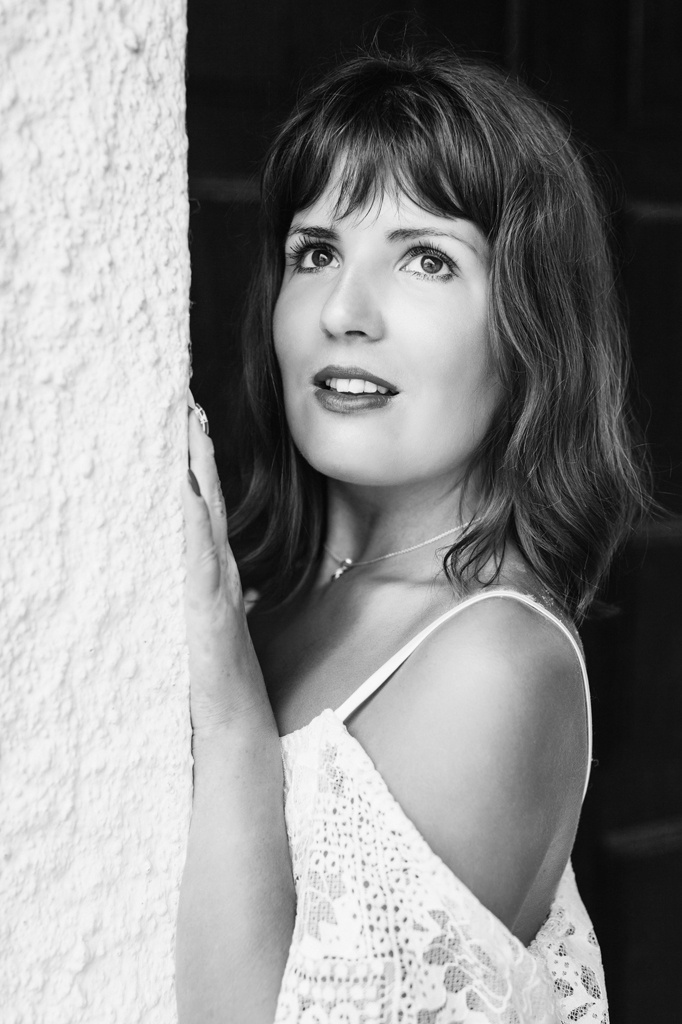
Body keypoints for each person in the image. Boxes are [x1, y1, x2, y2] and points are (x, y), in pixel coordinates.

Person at [176, 48, 648, 1023]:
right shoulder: (272, 587)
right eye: (316, 252)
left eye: (426, 258)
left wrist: (228, 710)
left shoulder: (493, 662)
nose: (344, 312)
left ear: (529, 328)